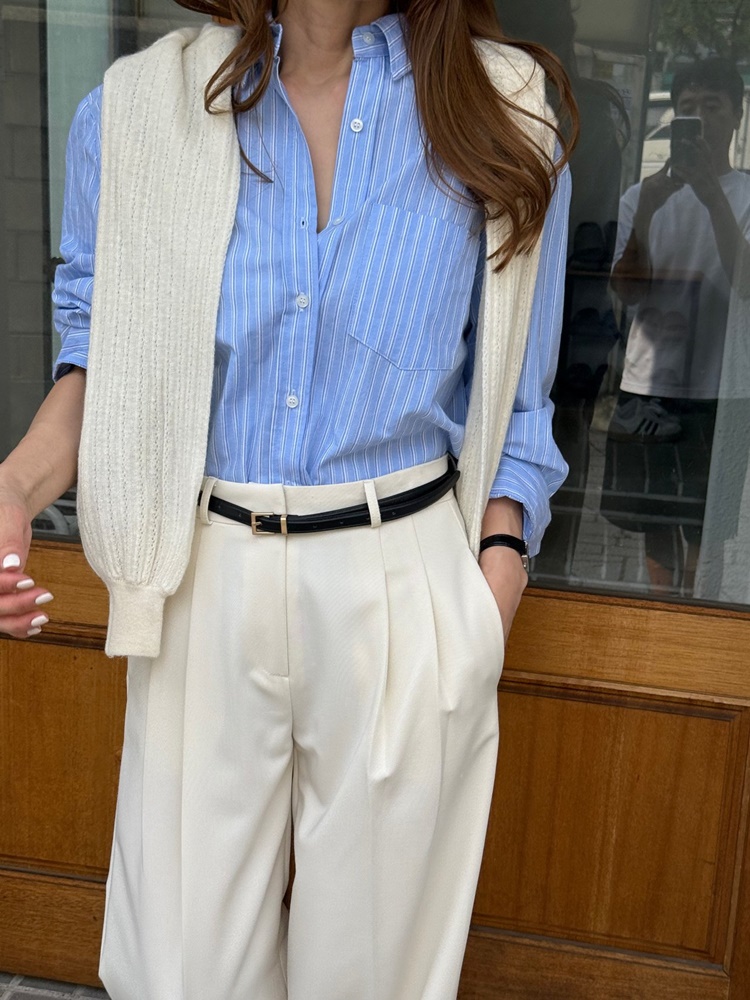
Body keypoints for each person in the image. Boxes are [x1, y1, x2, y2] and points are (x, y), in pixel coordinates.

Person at [0, 1, 575, 998]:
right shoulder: (142, 108)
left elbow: (521, 396)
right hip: (203, 577)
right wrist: (14, 485)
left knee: (375, 977)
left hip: (401, 582)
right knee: (183, 971)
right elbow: (100, 359)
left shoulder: (504, 108)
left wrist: (493, 583)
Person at [604, 58, 750, 595]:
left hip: (721, 391)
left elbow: (747, 283)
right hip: (648, 385)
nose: (701, 118)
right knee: (654, 526)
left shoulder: (746, 195)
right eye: (688, 108)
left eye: (713, 106)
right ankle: (659, 619)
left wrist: (713, 198)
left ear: (736, 116)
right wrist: (646, 213)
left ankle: (695, 625)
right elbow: (626, 291)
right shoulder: (639, 197)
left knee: (707, 531)